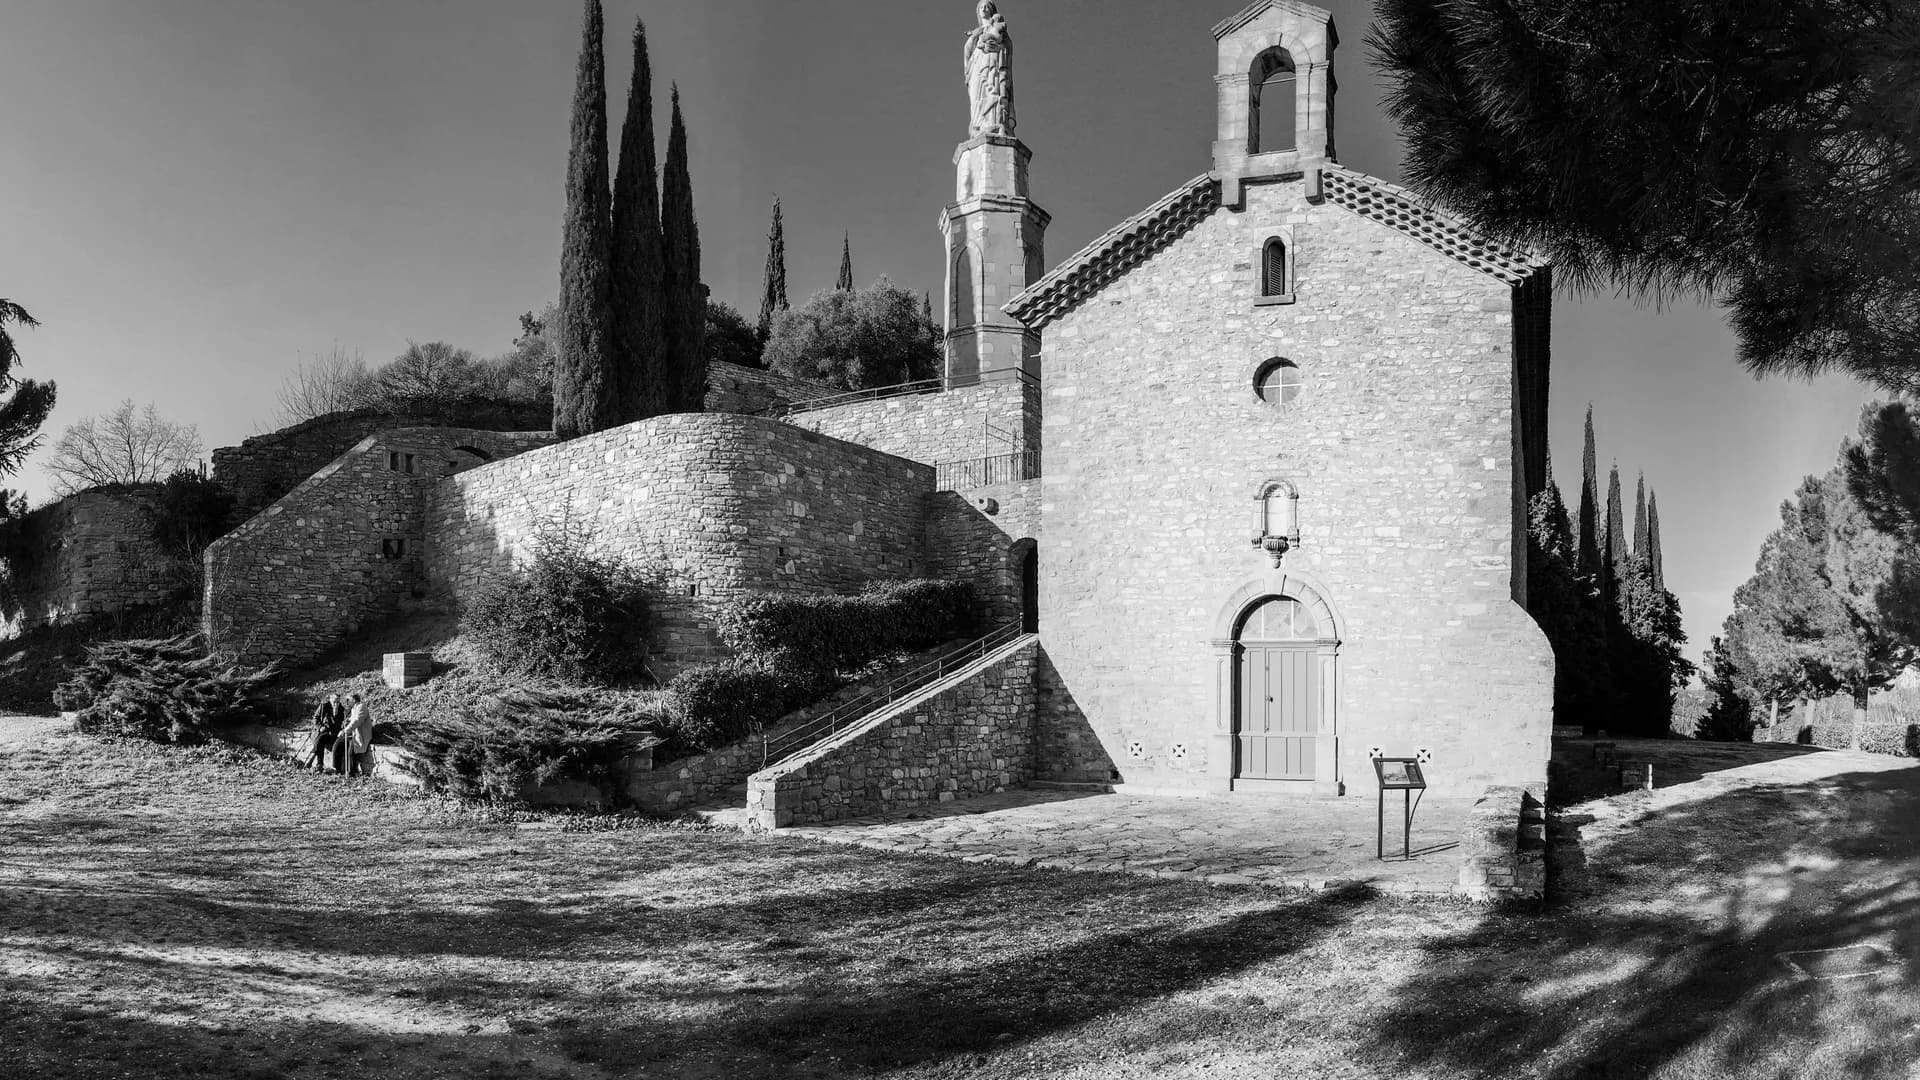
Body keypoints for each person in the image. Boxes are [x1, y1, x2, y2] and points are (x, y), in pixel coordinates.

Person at [332, 693, 375, 778]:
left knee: (351, 751)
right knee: (337, 745)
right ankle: (337, 769)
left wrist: (345, 730)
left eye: (348, 700)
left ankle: (352, 773)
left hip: (360, 736)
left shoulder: (362, 707)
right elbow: (351, 721)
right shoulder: (353, 709)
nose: (347, 702)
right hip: (352, 734)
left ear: (354, 700)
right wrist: (346, 722)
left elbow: (357, 721)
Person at [299, 694, 345, 772]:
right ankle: (319, 764)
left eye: (338, 702)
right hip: (324, 731)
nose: (336, 704)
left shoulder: (341, 710)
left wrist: (336, 715)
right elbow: (315, 718)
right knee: (320, 739)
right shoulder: (324, 706)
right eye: (334, 702)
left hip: (334, 733)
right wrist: (320, 727)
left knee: (324, 740)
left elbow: (342, 723)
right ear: (330, 700)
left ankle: (330, 767)